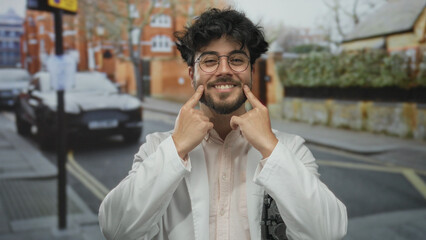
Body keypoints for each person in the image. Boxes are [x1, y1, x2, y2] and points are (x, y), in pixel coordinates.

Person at [98, 8, 347, 240]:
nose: (224, 70)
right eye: (209, 61)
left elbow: (328, 232)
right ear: (191, 75)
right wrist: (177, 148)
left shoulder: (290, 148)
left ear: (251, 71)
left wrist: (271, 149)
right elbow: (116, 228)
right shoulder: (158, 148)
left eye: (237, 59)